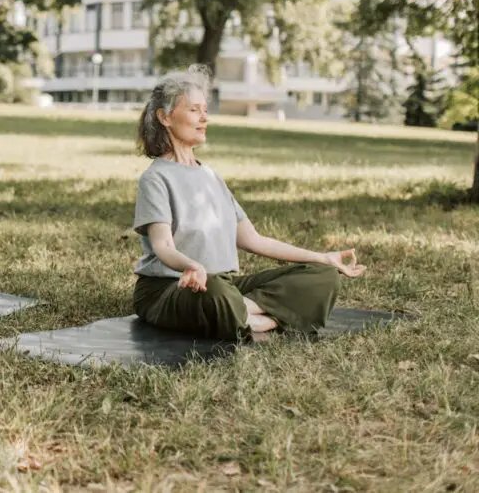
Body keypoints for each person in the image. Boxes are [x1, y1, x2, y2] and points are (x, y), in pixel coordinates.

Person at [131, 66, 366, 341]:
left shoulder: (211, 177)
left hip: (222, 285)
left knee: (323, 277)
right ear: (165, 117)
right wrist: (192, 267)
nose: (204, 118)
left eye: (205, 110)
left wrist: (323, 258)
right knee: (216, 294)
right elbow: (163, 246)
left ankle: (245, 316)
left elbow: (255, 240)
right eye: (194, 110)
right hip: (170, 289)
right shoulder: (155, 178)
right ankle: (266, 317)